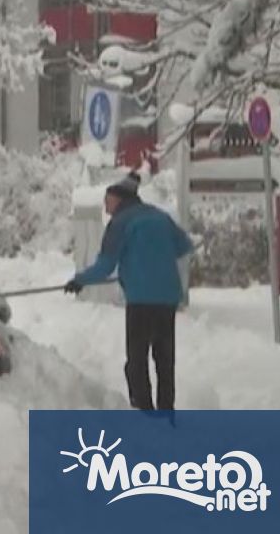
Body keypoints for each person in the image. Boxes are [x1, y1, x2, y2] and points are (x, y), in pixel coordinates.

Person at [64, 171, 193, 411]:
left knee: (137, 359)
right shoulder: (160, 217)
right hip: (167, 298)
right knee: (164, 359)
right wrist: (157, 255)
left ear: (119, 199)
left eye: (107, 201)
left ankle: (144, 412)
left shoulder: (121, 222)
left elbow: (105, 265)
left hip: (141, 300)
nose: (106, 207)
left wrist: (79, 280)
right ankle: (166, 413)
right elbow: (184, 246)